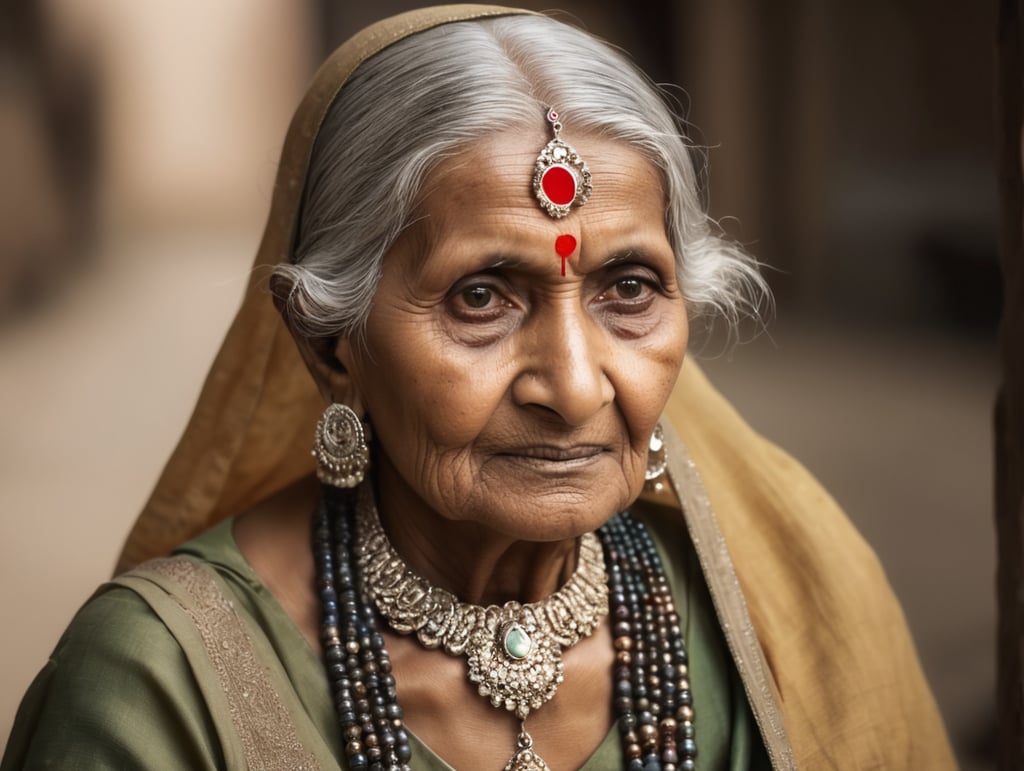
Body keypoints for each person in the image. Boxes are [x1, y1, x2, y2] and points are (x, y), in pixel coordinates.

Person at [2, 5, 955, 770]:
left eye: (628, 290)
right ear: (330, 344)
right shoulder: (160, 681)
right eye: (483, 297)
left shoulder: (774, 607)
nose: (576, 386)